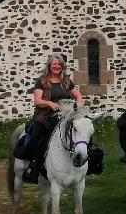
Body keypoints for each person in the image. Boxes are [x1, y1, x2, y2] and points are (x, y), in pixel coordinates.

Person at [15, 53, 84, 183]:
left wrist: (77, 106)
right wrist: (49, 103)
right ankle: (33, 166)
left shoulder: (67, 81)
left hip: (64, 115)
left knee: (81, 131)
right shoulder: (41, 81)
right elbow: (37, 101)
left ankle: (86, 161)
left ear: (62, 66)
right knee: (36, 135)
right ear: (49, 65)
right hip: (45, 115)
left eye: (59, 64)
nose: (57, 66)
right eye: (54, 64)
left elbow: (78, 96)